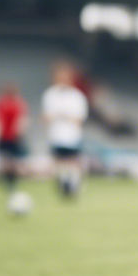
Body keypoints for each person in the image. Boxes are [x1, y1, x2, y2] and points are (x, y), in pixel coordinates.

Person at [42, 61, 88, 198]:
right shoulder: (50, 95)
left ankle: (73, 187)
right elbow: (46, 117)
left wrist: (64, 115)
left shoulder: (77, 96)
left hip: (72, 136)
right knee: (59, 164)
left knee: (73, 163)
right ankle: (62, 188)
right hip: (56, 136)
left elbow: (79, 119)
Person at [0, 83, 28, 195]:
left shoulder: (13, 104)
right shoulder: (10, 104)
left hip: (10, 137)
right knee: (8, 162)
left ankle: (10, 183)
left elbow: (20, 121)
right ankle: (9, 183)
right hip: (8, 137)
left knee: (9, 162)